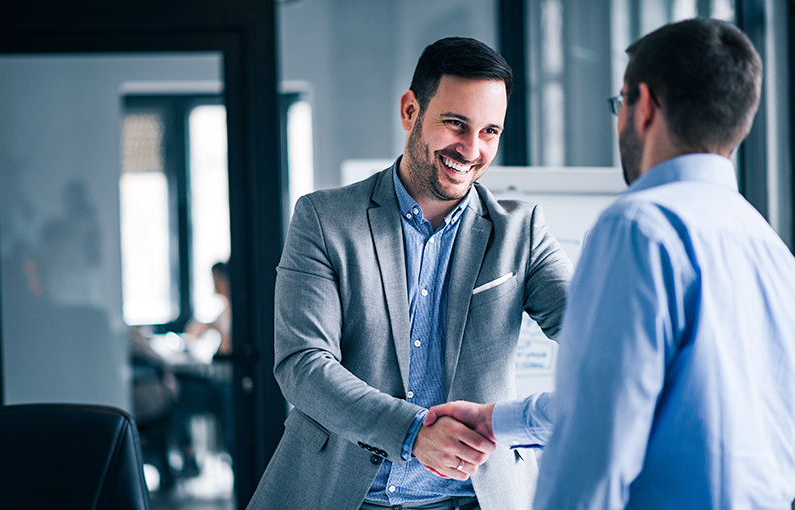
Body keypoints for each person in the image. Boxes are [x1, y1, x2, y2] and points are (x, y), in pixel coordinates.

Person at [427, 18, 795, 509]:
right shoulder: (771, 250)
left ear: (643, 106)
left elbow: (596, 437)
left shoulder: (639, 227)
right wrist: (498, 421)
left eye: (619, 104)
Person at [248, 37, 573, 510]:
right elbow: (302, 364)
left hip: (476, 499)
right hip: (342, 494)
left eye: (489, 132)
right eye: (456, 124)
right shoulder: (324, 219)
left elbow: (596, 332)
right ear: (409, 111)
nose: (471, 148)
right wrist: (413, 433)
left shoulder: (520, 232)